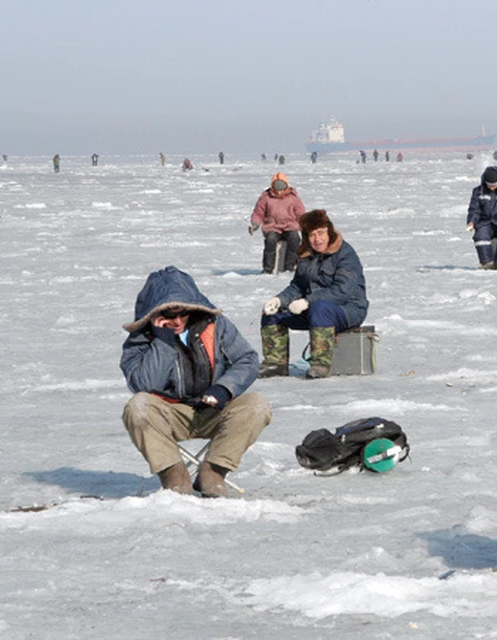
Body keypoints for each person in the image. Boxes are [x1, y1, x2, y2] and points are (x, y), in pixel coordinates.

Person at [120, 266, 272, 497]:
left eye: (184, 313)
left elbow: (247, 360)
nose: (178, 320)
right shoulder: (140, 339)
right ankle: (175, 477)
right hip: (169, 414)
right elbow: (143, 384)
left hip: (213, 409)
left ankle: (213, 474)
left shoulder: (216, 325)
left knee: (256, 405)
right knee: (138, 407)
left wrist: (223, 389)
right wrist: (163, 343)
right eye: (170, 315)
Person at [259, 209, 368, 379]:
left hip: (348, 309)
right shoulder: (306, 255)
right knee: (272, 314)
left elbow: (343, 291)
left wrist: (307, 302)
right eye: (312, 235)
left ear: (329, 232)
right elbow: (298, 286)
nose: (317, 239)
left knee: (320, 308)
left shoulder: (346, 255)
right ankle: (276, 363)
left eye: (321, 233)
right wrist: (279, 300)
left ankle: (320, 364)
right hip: (314, 308)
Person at [249, 173, 306, 274]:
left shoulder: (293, 198)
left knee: (295, 239)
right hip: (272, 227)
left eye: (282, 189)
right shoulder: (266, 197)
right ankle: (268, 269)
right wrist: (255, 224)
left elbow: (300, 214)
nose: (279, 192)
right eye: (277, 189)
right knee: (270, 240)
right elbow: (258, 213)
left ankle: (289, 267)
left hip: (290, 226)